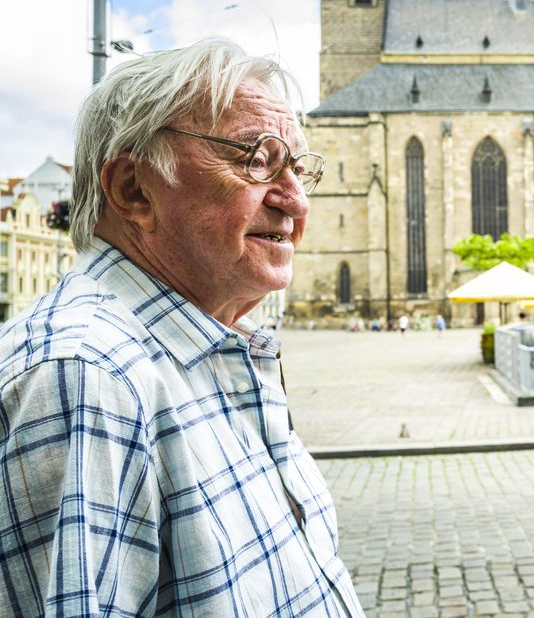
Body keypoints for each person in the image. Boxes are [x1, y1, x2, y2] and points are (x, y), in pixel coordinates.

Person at [0, 39, 364, 616]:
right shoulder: (90, 378)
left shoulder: (204, 349)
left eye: (298, 167)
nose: (295, 201)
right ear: (133, 190)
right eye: (255, 158)